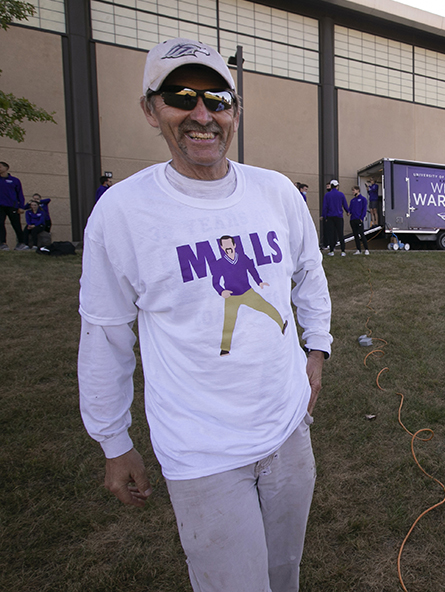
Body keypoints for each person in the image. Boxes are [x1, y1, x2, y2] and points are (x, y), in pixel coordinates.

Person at [78, 38, 332, 592]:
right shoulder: (122, 212)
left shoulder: (276, 192)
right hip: (202, 451)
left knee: (284, 574)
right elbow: (105, 333)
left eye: (217, 98)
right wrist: (113, 441)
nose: (201, 114)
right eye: (180, 96)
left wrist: (317, 349)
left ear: (235, 111)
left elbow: (309, 273)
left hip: (289, 429)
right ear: (151, 109)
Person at [0, 161, 28, 251]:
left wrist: (21, 206)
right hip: (0, 206)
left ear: (6, 168)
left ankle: (21, 243)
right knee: (0, 224)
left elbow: (20, 194)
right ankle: (2, 243)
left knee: (16, 225)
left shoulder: (15, 180)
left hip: (12, 206)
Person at [322, 178, 348, 256]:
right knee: (340, 234)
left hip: (330, 217)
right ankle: (343, 251)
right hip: (339, 216)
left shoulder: (327, 195)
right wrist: (347, 211)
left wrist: (325, 216)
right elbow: (345, 204)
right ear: (337, 186)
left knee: (331, 234)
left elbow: (325, 207)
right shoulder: (341, 194)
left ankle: (331, 251)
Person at [349, 185, 370, 255]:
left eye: (354, 190)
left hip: (359, 219)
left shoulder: (363, 199)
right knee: (355, 235)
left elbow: (364, 209)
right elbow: (350, 209)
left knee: (361, 234)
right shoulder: (352, 200)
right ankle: (359, 250)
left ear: (358, 190)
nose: (353, 192)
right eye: (352, 190)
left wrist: (361, 218)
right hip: (353, 219)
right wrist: (349, 212)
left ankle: (366, 249)